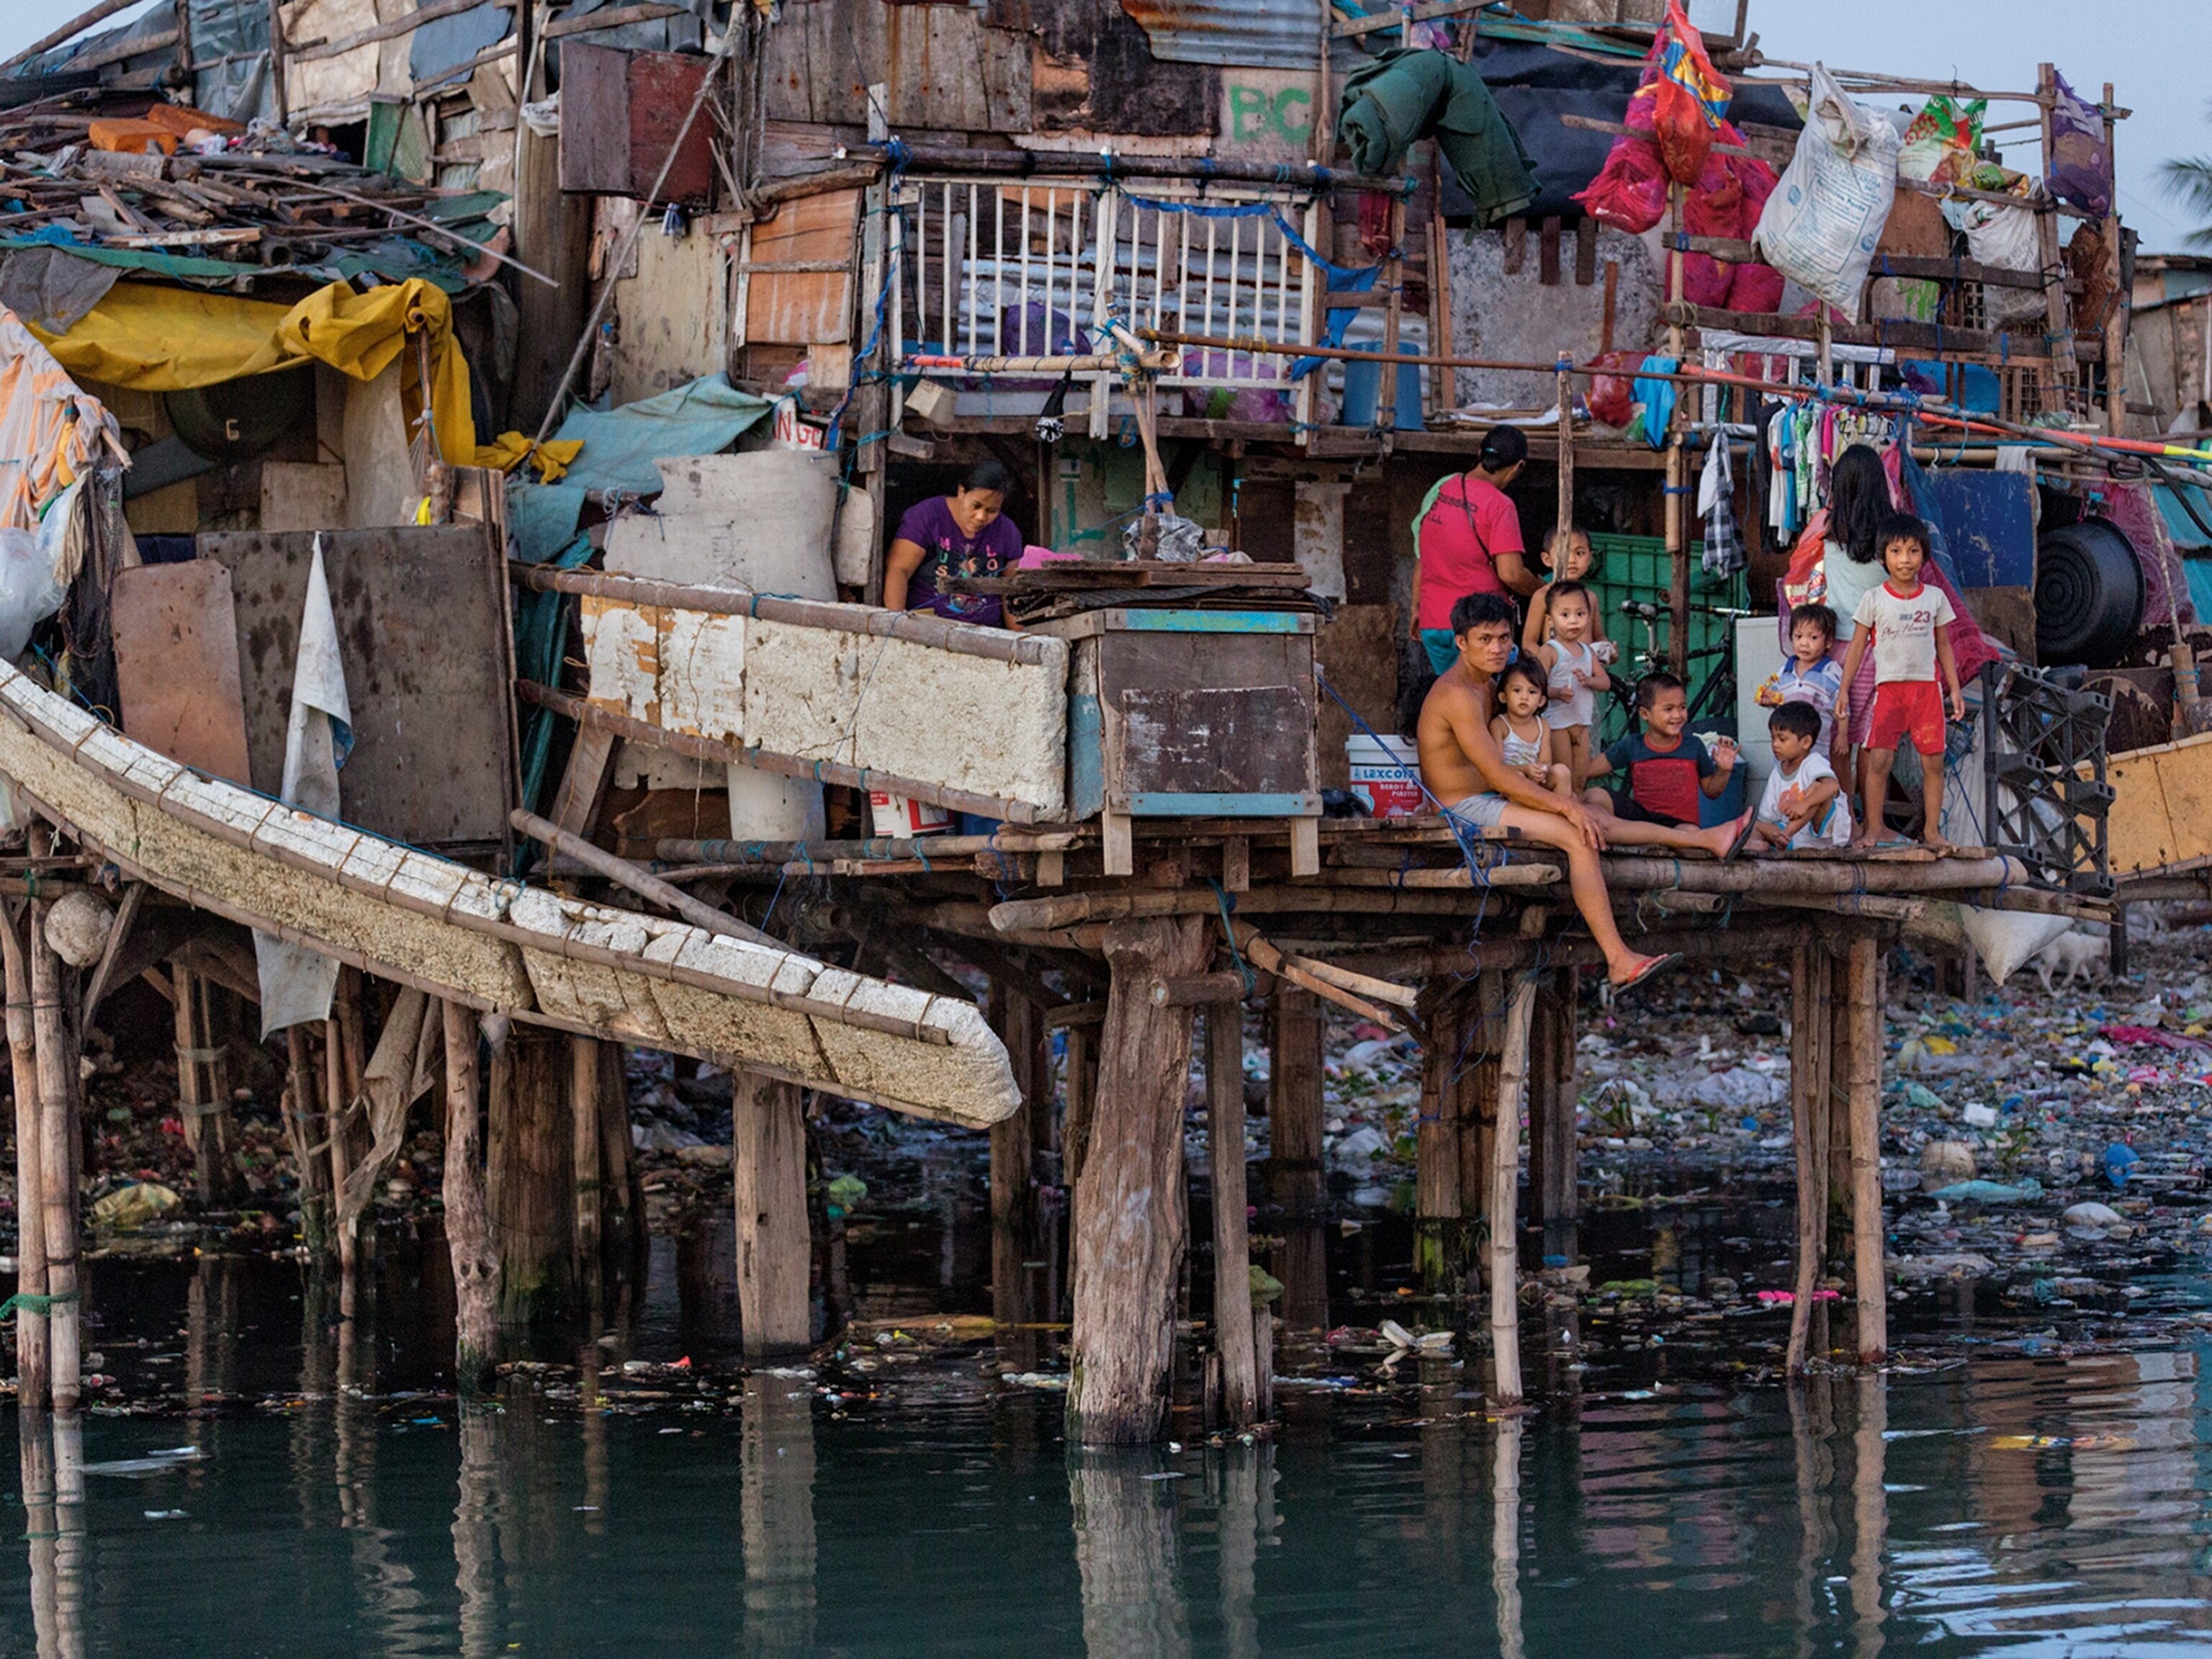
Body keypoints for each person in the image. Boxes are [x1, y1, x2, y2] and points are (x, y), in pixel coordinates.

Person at [1416, 592, 1753, 992]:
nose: (1498, 648)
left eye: (1505, 638)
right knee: (1578, 834)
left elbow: (1505, 767)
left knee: (1595, 817)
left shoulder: (1487, 685)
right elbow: (1497, 776)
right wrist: (1564, 807)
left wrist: (1560, 795)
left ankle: (1708, 839)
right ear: (1461, 642)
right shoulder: (1457, 693)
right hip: (1464, 806)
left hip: (1494, 795)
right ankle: (1618, 959)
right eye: (1485, 640)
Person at [1835, 511, 1964, 850]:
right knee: (1878, 760)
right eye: (1895, 551)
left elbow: (1944, 645)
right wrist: (1844, 690)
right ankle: (1873, 829)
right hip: (1889, 690)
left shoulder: (1934, 598)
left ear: (1924, 555)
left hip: (1927, 690)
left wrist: (1955, 688)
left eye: (1913, 551)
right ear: (1882, 557)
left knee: (1933, 762)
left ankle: (1933, 832)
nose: (1905, 560)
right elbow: (1857, 647)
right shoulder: (1874, 599)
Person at [1410, 427, 1537, 676]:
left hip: (1433, 622)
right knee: (1489, 703)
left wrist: (1416, 607)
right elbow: (1511, 574)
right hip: (1481, 628)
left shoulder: (1442, 487)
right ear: (1518, 467)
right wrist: (1541, 590)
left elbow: (1421, 554)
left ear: (1479, 453)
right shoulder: (1500, 505)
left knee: (1453, 699)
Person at [1820, 443, 1894, 793]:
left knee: (1839, 735)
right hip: (1881, 648)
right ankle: (1867, 820)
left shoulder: (1826, 527)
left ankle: (1846, 814)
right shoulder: (1892, 537)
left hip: (1837, 647)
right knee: (1870, 736)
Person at [1583, 672, 1739, 829]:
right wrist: (1576, 736)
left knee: (1691, 831)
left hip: (1681, 826)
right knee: (1594, 795)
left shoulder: (1694, 745)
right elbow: (1587, 770)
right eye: (1669, 709)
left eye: (1682, 707)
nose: (1678, 715)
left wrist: (1724, 770)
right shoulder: (1632, 745)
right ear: (1645, 714)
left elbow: (1712, 792)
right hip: (1642, 823)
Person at [882, 459, 1023, 628]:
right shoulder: (926, 517)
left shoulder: (1007, 531)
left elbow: (1011, 590)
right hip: (927, 628)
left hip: (986, 633)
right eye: (976, 506)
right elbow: (899, 570)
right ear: (961, 491)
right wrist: (897, 627)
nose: (981, 517)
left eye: (992, 511)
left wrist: (1018, 639)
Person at [1748, 700, 1851, 853]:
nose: (1775, 744)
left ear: (1806, 742)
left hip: (1825, 832)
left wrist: (1805, 804)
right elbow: (1767, 818)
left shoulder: (1814, 762)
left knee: (1817, 787)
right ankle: (1759, 846)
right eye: (1773, 738)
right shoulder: (1777, 773)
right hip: (1795, 837)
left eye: (1782, 739)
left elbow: (1832, 785)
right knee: (1752, 824)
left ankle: (1786, 836)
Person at [1534, 579, 1609, 790]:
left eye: (1580, 614)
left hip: (1582, 724)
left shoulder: (1588, 652)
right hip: (1558, 725)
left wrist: (1590, 680)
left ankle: (1581, 811)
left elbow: (1605, 682)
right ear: (1550, 620)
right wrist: (1557, 693)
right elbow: (1536, 688)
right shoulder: (1549, 651)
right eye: (1565, 615)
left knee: (1581, 779)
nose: (1574, 621)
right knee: (1564, 777)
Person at [1755, 602, 1845, 751]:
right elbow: (1776, 699)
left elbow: (1842, 707)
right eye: (1798, 636)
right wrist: (1767, 700)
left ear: (1828, 642)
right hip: (1786, 748)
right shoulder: (1785, 672)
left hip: (1818, 747)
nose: (1804, 643)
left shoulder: (1830, 671)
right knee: (1786, 774)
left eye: (1813, 638)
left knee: (1814, 774)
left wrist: (1842, 735)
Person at [1521, 526, 1614, 661]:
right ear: (1547, 559)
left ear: (1589, 558)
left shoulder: (1590, 597)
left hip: (1585, 673)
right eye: (1563, 553)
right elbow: (1528, 643)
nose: (1572, 560)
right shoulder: (1543, 596)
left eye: (1580, 553)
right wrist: (1551, 660)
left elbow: (1598, 636)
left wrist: (1608, 650)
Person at [1490, 657, 1572, 796]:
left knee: (1562, 771)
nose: (1524, 697)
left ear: (1541, 701)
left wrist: (1542, 770)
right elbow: (1498, 768)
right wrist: (1525, 769)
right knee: (1519, 778)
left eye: (1532, 692)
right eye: (1517, 690)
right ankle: (1524, 814)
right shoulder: (1499, 725)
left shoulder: (1543, 725)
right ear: (1504, 697)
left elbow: (1546, 761)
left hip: (1536, 781)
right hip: (1510, 784)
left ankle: (1562, 813)